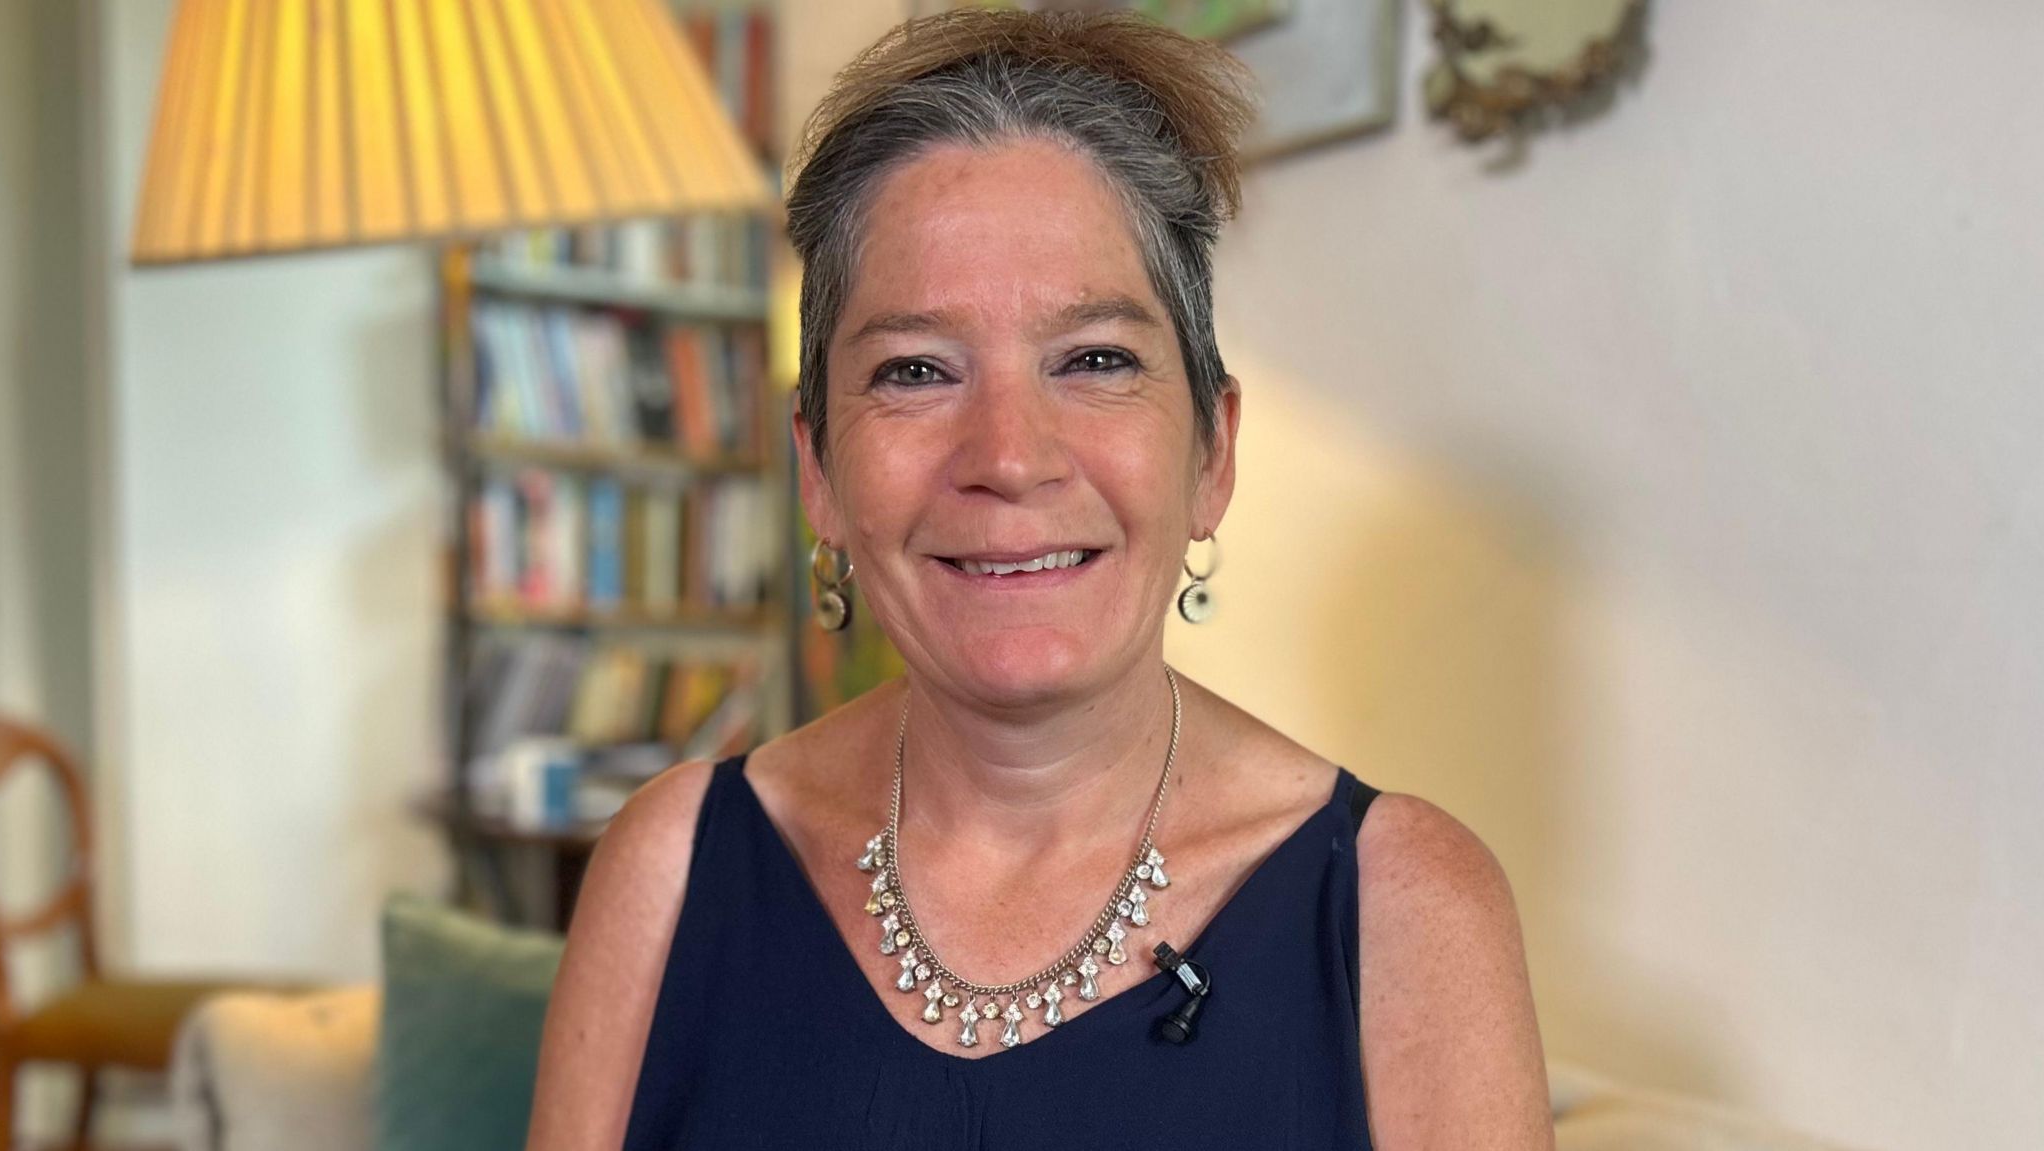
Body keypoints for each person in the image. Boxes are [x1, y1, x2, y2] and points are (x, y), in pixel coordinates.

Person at [526, 9, 1550, 1149]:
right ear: (816, 467)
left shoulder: (1400, 905)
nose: (1008, 457)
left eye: (1094, 360)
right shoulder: (669, 865)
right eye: (914, 370)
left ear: (1210, 451)